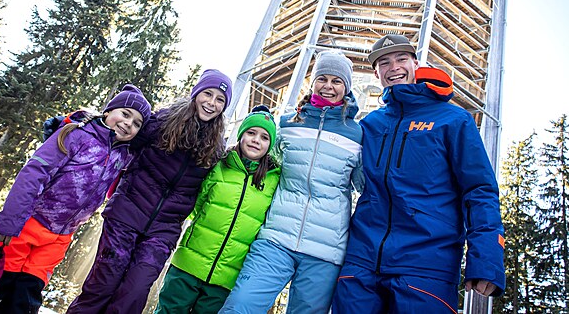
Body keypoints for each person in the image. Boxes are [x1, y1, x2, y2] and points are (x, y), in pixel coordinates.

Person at [331, 34, 506, 313]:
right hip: (360, 262)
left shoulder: (453, 119)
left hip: (426, 265)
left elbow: (479, 190)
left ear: (415, 63)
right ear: (376, 73)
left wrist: (486, 258)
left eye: (401, 59)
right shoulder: (371, 124)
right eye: (384, 62)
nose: (394, 67)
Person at [0, 84, 152, 314]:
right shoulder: (76, 135)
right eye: (125, 114)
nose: (128, 123)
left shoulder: (122, 155)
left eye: (137, 123)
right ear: (108, 112)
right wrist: (10, 220)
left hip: (59, 237)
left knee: (26, 298)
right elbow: (34, 173)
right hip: (28, 223)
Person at [67, 69, 233, 314]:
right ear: (196, 93)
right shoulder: (162, 122)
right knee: (102, 286)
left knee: (133, 295)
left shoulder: (216, 146)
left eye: (220, 99)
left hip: (163, 230)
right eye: (207, 94)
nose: (212, 103)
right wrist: (80, 127)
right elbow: (120, 138)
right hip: (127, 213)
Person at [219, 50, 364, 314]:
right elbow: (262, 165)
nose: (328, 86)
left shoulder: (357, 133)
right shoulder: (288, 124)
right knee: (241, 306)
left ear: (346, 87)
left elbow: (364, 186)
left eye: (337, 81)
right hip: (276, 238)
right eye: (322, 79)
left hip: (325, 250)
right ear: (313, 81)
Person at [154, 105, 281, 314]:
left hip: (225, 279)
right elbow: (196, 206)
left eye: (264, 137)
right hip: (188, 265)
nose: (256, 140)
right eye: (251, 133)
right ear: (241, 135)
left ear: (270, 144)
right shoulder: (218, 164)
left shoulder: (273, 180)